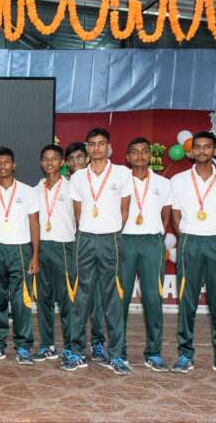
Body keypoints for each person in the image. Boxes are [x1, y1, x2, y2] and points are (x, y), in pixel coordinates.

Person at [170, 131, 216, 377]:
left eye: (207, 147)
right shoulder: (178, 180)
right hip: (189, 242)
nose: (202, 151)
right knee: (186, 301)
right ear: (191, 151)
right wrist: (186, 234)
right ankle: (185, 355)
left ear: (215, 150)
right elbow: (175, 214)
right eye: (198, 147)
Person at [64, 128, 133, 375]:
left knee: (113, 297)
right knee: (80, 297)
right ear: (87, 148)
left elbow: (125, 210)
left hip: (111, 239)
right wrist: (89, 230)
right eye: (92, 144)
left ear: (108, 147)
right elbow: (77, 211)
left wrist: (110, 230)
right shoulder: (78, 177)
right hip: (85, 239)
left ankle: (116, 355)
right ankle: (76, 352)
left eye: (101, 144)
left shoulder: (122, 173)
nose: (96, 148)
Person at [0, 147, 39, 365]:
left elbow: (34, 225)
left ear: (13, 165)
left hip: (20, 250)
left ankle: (23, 347)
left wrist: (35, 255)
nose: (2, 166)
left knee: (21, 300)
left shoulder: (28, 192)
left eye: (6, 162)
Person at [121, 137, 172, 372]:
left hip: (152, 242)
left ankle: (154, 352)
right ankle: (118, 350)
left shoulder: (163, 183)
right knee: (120, 298)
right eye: (135, 152)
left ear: (150, 155)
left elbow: (166, 215)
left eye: (144, 151)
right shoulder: (120, 180)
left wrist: (156, 236)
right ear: (128, 157)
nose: (140, 155)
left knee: (153, 298)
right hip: (125, 240)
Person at [65, 141, 107, 363]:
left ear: (88, 157)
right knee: (77, 297)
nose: (76, 162)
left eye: (80, 157)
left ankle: (98, 342)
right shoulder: (61, 185)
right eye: (71, 159)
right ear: (66, 163)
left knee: (97, 296)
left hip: (95, 243)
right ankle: (75, 344)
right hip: (71, 247)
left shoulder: (100, 181)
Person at [33, 145, 75, 363]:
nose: (50, 163)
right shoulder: (35, 190)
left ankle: (70, 346)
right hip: (41, 248)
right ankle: (47, 345)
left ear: (62, 162)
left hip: (64, 247)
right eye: (46, 159)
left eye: (54, 158)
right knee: (44, 300)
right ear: (41, 163)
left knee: (67, 300)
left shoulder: (72, 188)